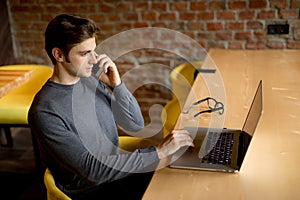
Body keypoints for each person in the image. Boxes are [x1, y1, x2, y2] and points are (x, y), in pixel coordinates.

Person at [28, 14, 194, 200]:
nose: (93, 60)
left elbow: (135, 124)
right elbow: (92, 171)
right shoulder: (44, 111)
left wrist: (117, 85)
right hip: (93, 190)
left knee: (189, 177)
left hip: (120, 175)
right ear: (59, 55)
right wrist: (159, 151)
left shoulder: (90, 81)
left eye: (94, 51)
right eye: (84, 54)